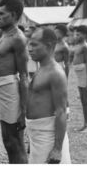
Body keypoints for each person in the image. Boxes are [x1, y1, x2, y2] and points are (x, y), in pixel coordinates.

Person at [0, 0, 28, 163]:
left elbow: (24, 75)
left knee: (15, 141)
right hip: (1, 89)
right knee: (7, 140)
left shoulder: (18, 38)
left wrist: (23, 110)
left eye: (1, 14)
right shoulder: (5, 35)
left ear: (13, 15)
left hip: (10, 91)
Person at [26, 27, 71, 164]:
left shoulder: (55, 73)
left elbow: (61, 111)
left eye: (34, 44)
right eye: (29, 44)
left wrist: (57, 149)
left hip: (48, 136)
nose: (29, 48)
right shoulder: (41, 69)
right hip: (37, 134)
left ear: (49, 46)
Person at [72, 25, 87, 133]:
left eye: (79, 34)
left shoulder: (85, 46)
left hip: (85, 74)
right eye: (76, 34)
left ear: (85, 35)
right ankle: (85, 124)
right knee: (83, 100)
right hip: (80, 75)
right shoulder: (78, 45)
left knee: (86, 100)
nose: (76, 36)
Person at [54, 24, 70, 118]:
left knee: (62, 92)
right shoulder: (52, 43)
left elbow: (67, 63)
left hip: (60, 67)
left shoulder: (64, 46)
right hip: (52, 67)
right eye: (55, 31)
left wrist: (66, 77)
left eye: (58, 32)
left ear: (63, 34)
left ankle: (66, 113)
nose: (55, 34)